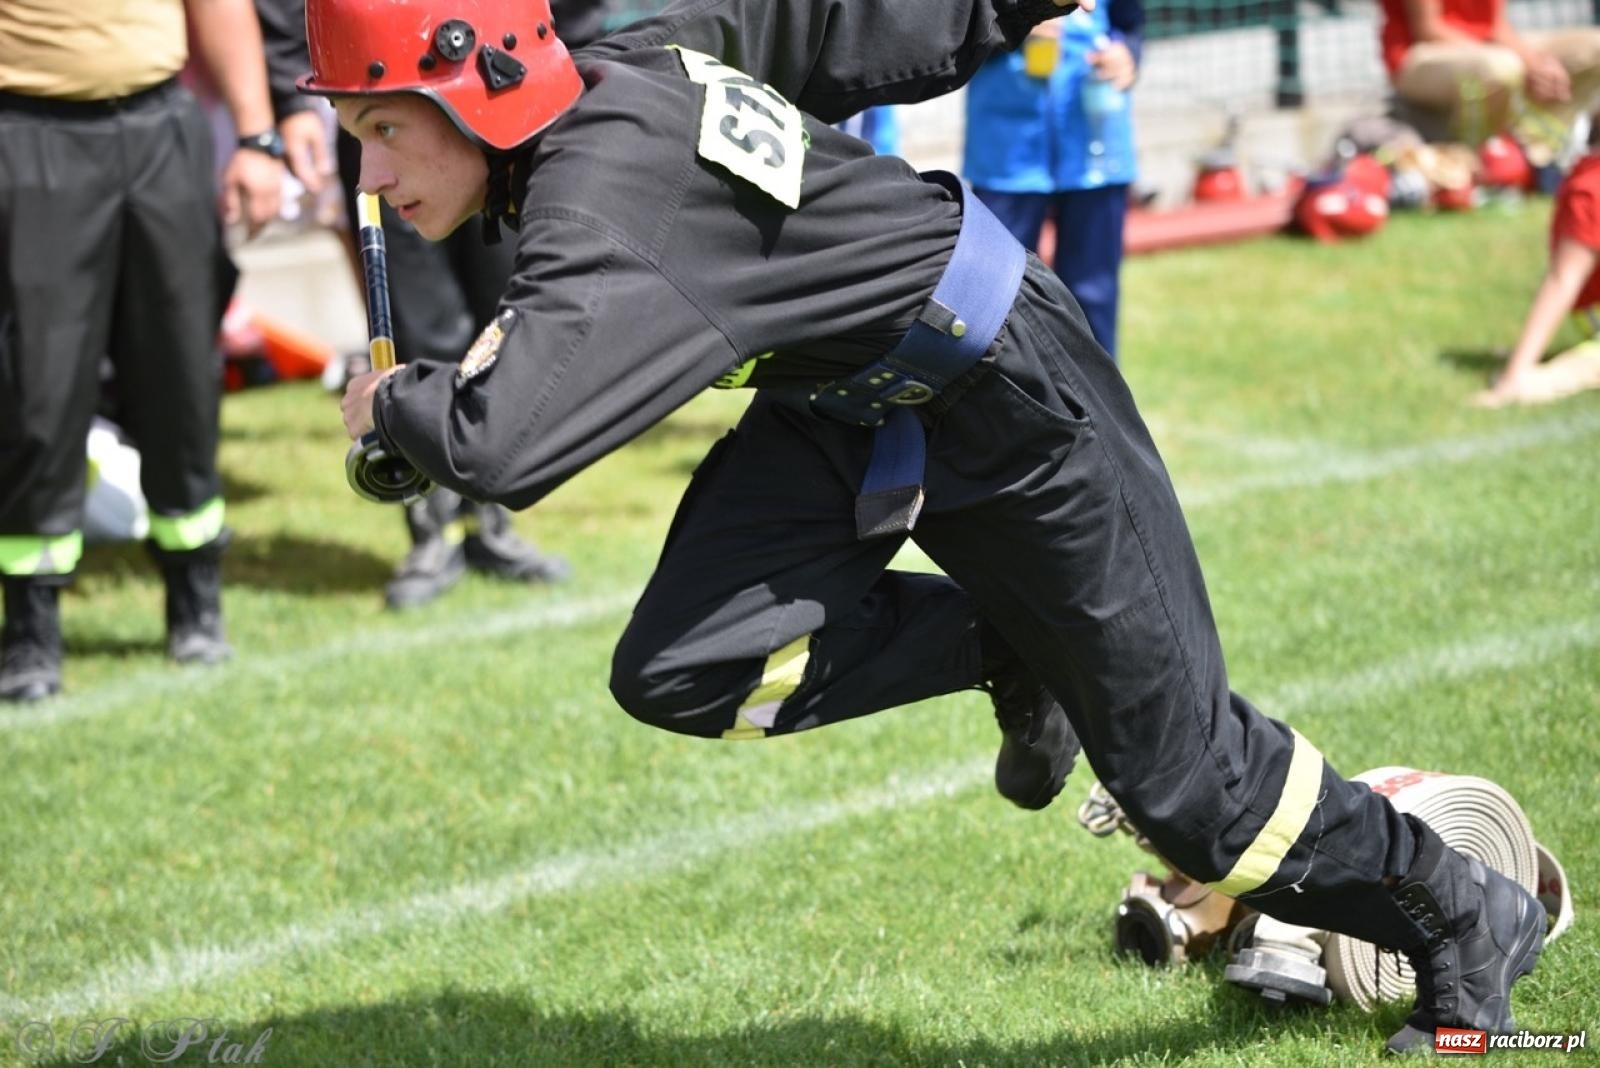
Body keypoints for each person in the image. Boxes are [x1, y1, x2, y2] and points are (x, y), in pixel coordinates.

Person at [304, 0, 1545, 1050]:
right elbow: (821, 15)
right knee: (685, 667)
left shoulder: (600, 203)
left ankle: (1459, 906)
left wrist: (395, 401)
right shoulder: (628, 53)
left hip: (1005, 391)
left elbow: (504, 442)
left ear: (484, 83)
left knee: (1189, 792)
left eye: (383, 130)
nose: (373, 176)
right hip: (838, 402)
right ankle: (1013, 647)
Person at [0, 0, 285, 701]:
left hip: (163, 124)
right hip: (29, 128)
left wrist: (258, 138)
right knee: (38, 386)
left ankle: (195, 595)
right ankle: (31, 625)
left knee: (183, 374)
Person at [258, 0, 574, 609]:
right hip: (380, 87)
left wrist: (566, 52)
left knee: (505, 316)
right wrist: (291, 92)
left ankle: (491, 518)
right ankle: (431, 526)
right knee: (414, 321)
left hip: (499, 90)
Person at [963, 0, 1143, 359]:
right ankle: (1000, 411)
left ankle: (1099, 410)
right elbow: (949, 39)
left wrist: (1128, 55)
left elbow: (1129, 23)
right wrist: (1012, 29)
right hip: (1008, 153)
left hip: (1095, 147)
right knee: (997, 300)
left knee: (1093, 294)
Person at [1378, 0, 1600, 154]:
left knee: (1594, 48)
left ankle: (1546, 151)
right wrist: (1521, 63)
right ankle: (1479, 161)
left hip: (1488, 49)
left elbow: (1496, 27)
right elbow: (1428, 29)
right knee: (1500, 67)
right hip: (1416, 56)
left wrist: (1535, 62)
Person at [1474, 142, 1600, 407]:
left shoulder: (1592, 188)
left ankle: (1533, 375)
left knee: (1557, 377)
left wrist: (1514, 377)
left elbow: (1564, 278)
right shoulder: (1590, 182)